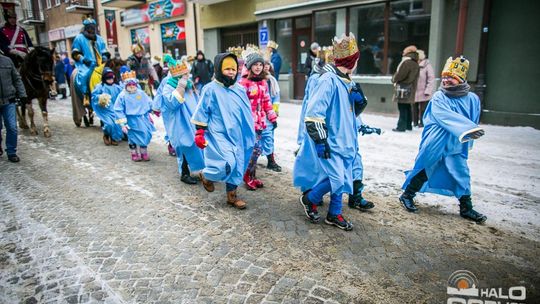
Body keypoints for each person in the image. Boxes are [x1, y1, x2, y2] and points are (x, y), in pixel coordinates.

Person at [399, 56, 487, 224]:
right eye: (444, 76)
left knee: (462, 174)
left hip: (456, 144)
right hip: (437, 141)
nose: (446, 80)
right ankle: (407, 195)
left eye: (451, 77)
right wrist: (467, 128)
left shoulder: (472, 99)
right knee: (425, 168)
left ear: (461, 79)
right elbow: (444, 116)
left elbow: (474, 117)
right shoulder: (440, 97)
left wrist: (469, 134)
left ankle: (466, 207)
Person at [293, 33, 361, 231]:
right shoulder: (328, 80)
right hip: (331, 140)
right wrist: (321, 140)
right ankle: (309, 198)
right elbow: (314, 112)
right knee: (337, 178)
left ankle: (334, 213)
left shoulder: (348, 81)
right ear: (353, 60)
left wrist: (359, 104)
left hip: (346, 140)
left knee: (342, 177)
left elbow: (349, 113)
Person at [191, 52, 255, 209]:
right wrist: (199, 132)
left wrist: (250, 132)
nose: (231, 72)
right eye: (227, 69)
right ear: (219, 69)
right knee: (227, 162)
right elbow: (202, 111)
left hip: (238, 134)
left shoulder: (239, 89)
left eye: (234, 69)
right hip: (218, 133)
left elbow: (245, 112)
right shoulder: (210, 89)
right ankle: (207, 175)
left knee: (239, 163)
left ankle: (232, 196)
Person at [158, 55, 204, 184]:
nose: (185, 76)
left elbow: (197, 101)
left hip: (191, 121)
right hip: (179, 123)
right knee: (184, 145)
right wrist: (181, 85)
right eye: (182, 74)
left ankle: (198, 170)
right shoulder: (169, 86)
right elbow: (172, 103)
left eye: (186, 73)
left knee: (195, 144)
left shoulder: (190, 85)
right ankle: (184, 173)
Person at [239, 48, 278, 190]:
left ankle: (252, 175)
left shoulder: (262, 82)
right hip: (248, 124)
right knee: (254, 150)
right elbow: (239, 105)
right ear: (249, 66)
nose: (258, 67)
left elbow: (267, 101)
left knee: (257, 150)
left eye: (260, 65)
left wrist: (272, 117)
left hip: (260, 122)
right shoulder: (243, 83)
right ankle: (246, 176)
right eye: (255, 65)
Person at [114, 67, 155, 161]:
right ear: (125, 85)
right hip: (131, 120)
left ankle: (144, 152)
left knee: (145, 134)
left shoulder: (141, 93)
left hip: (142, 119)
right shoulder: (122, 96)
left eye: (133, 84)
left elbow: (148, 102)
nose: (132, 86)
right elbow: (118, 109)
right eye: (129, 84)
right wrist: (123, 123)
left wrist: (153, 109)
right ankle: (134, 153)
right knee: (132, 137)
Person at [72, 17, 110, 106]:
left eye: (93, 27)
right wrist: (83, 59)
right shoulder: (79, 38)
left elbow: (104, 50)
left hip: (100, 64)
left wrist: (105, 57)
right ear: (86, 28)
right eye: (89, 27)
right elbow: (75, 52)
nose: (92, 29)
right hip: (86, 64)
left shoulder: (99, 39)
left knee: (109, 73)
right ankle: (86, 95)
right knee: (85, 75)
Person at [0, 51, 27, 162]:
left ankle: (11, 151)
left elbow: (17, 78)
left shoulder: (7, 61)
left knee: (12, 127)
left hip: (9, 100)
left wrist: (22, 94)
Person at [91, 67, 123, 146]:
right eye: (108, 78)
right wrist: (100, 97)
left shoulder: (117, 87)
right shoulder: (100, 87)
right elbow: (94, 96)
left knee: (118, 124)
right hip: (105, 110)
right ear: (104, 78)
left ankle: (114, 138)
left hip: (115, 110)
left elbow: (123, 95)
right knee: (109, 124)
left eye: (111, 78)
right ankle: (106, 135)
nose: (110, 80)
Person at [391, 45, 419, 132]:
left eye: (404, 52)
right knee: (407, 107)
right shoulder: (415, 63)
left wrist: (394, 79)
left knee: (402, 107)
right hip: (411, 88)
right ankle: (408, 125)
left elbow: (400, 75)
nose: (403, 54)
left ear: (408, 53)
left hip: (403, 88)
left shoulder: (406, 62)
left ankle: (401, 126)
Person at [263, 61, 282, 172]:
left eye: (267, 66)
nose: (265, 68)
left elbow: (276, 97)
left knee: (270, 137)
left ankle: (271, 161)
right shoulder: (256, 81)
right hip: (258, 114)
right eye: (262, 65)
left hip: (269, 115)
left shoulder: (272, 81)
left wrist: (273, 112)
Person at [413, 50, 435, 127]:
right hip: (415, 91)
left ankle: (422, 123)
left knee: (423, 109)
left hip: (424, 92)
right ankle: (415, 122)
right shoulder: (414, 65)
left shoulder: (427, 65)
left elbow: (431, 79)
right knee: (414, 108)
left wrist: (428, 90)